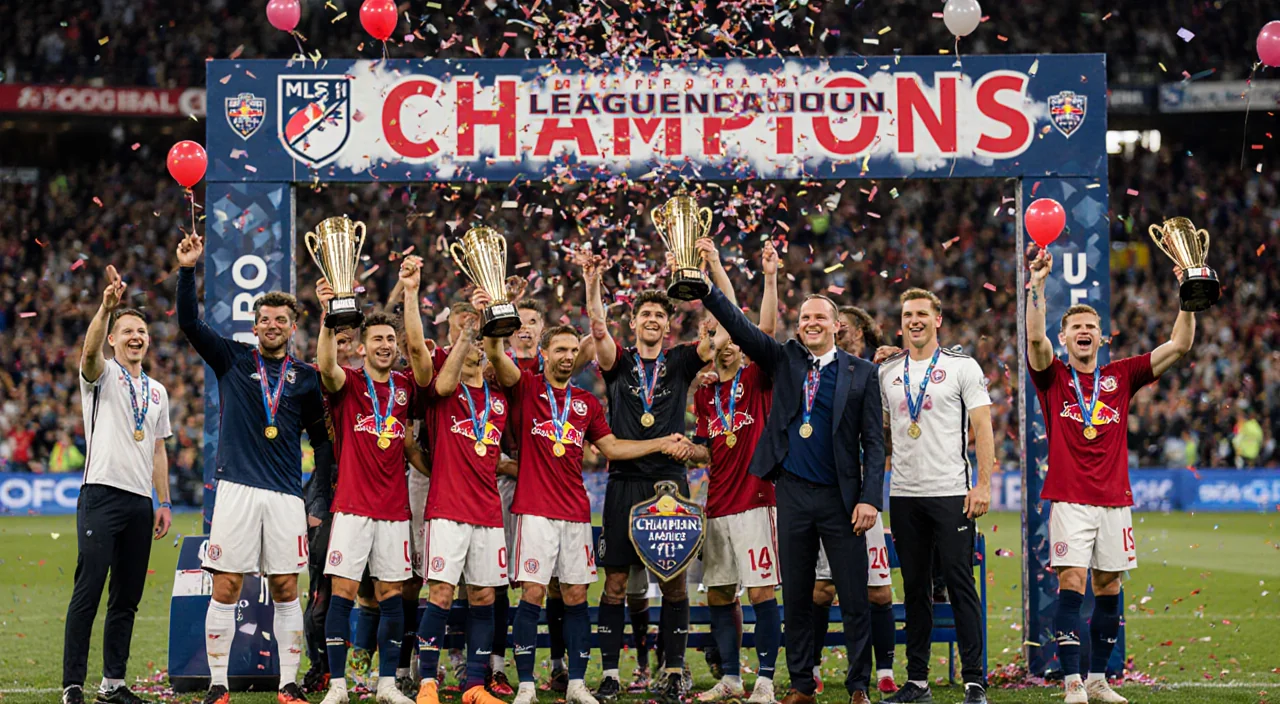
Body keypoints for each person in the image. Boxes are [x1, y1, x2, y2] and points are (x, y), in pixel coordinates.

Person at [696, 239, 885, 704]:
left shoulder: (861, 372)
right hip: (793, 494)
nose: (811, 324)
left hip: (843, 499)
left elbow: (874, 444)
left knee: (854, 597)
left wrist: (868, 497)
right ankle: (801, 685)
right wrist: (707, 289)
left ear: (837, 326)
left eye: (819, 318)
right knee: (798, 596)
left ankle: (858, 685)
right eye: (804, 319)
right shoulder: (784, 359)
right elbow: (741, 329)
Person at [478, 314, 690, 704]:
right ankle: (526, 684)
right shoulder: (525, 388)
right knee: (533, 593)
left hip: (575, 511)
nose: (566, 356)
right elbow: (494, 352)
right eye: (559, 349)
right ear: (543, 353)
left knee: (576, 594)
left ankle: (576, 682)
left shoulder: (586, 402)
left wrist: (659, 443)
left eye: (573, 351)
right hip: (535, 510)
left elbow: (612, 448)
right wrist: (494, 320)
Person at [1026, 248, 1195, 704]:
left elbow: (1178, 346)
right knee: (1071, 585)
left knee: (1109, 587)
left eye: (1091, 327)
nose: (1084, 331)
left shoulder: (1121, 376)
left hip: (1115, 500)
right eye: (1076, 327)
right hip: (1069, 498)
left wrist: (1189, 298)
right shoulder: (1052, 377)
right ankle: (1071, 683)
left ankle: (1099, 680)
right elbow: (1035, 339)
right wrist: (1038, 286)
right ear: (1065, 338)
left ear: (1102, 338)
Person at [177, 233, 326, 704]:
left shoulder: (306, 380)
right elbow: (188, 323)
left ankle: (287, 684)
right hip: (237, 490)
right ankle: (218, 685)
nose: (272, 326)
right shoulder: (232, 359)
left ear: (293, 327)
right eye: (265, 320)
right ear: (255, 325)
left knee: (285, 586)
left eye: (281, 320)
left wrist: (317, 497)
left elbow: (323, 442)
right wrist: (187, 270)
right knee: (226, 583)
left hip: (285, 496)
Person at [581, 250, 715, 704]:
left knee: (675, 581)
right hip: (623, 481)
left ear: (669, 323)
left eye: (660, 314)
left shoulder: (679, 361)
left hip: (669, 483)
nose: (653, 320)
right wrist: (592, 283)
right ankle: (612, 674)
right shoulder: (616, 360)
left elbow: (715, 338)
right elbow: (597, 328)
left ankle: (675, 669)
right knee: (615, 583)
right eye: (646, 314)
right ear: (634, 322)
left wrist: (705, 283)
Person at [314, 255, 433, 704]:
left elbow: (423, 362)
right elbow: (325, 364)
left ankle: (386, 684)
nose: (385, 345)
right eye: (376, 340)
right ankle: (339, 686)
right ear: (361, 347)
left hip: (393, 509)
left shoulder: (405, 388)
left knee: (392, 595)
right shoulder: (347, 384)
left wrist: (410, 291)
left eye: (389, 339)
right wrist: (329, 319)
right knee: (343, 591)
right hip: (351, 507)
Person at [62, 266, 173, 704]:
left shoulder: (158, 391)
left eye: (141, 331)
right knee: (88, 592)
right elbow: (88, 352)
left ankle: (112, 685)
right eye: (126, 331)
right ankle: (73, 684)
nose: (135, 336)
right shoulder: (102, 374)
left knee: (126, 597)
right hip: (101, 495)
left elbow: (159, 450)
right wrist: (106, 309)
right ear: (113, 338)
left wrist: (162, 500)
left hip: (139, 504)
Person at [878, 288, 995, 704]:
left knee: (961, 585)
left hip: (951, 493)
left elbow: (983, 426)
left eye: (922, 314)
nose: (915, 320)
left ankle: (975, 681)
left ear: (938, 320)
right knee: (914, 590)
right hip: (905, 494)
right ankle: (918, 682)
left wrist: (982, 484)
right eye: (908, 313)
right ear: (902, 321)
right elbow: (879, 433)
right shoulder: (887, 373)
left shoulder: (962, 367)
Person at [682, 240, 782, 704]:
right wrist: (689, 449)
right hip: (717, 502)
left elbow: (760, 327)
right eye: (708, 328)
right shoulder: (703, 394)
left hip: (757, 500)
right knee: (720, 593)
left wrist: (728, 271)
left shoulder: (758, 378)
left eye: (721, 326)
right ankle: (731, 678)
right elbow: (709, 449)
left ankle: (764, 678)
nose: (715, 333)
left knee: (761, 592)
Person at [413, 307, 511, 704]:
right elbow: (440, 385)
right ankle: (427, 684)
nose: (476, 351)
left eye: (481, 347)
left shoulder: (499, 402)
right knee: (441, 594)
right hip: (447, 508)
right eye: (470, 345)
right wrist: (466, 333)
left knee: (484, 597)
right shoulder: (444, 391)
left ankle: (474, 686)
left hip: (486, 510)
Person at [814, 305, 897, 697]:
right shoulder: (817, 371)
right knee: (821, 589)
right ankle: (811, 667)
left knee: (878, 590)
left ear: (863, 332)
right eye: (837, 322)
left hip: (863, 497)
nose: (841, 328)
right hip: (826, 495)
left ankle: (884, 670)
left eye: (848, 324)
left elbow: (885, 440)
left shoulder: (883, 371)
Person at [302, 326, 362, 694]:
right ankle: (319, 666)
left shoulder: (366, 384)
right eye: (333, 341)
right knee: (321, 593)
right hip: (326, 494)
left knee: (376, 590)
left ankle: (377, 668)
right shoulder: (312, 383)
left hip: (372, 497)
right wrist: (312, 501)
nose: (340, 348)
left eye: (346, 342)